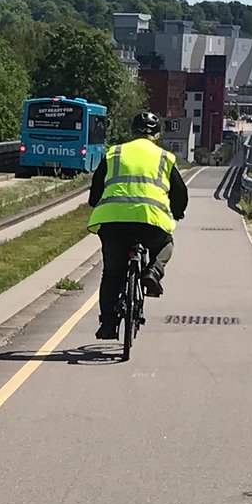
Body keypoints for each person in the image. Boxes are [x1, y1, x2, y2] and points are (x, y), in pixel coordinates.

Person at [86, 111, 189, 340]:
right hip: (150, 221)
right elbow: (180, 192)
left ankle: (108, 325)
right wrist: (177, 213)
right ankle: (153, 272)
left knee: (112, 274)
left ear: (132, 132)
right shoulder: (164, 157)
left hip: (114, 223)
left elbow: (96, 189)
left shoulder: (114, 153)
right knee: (166, 244)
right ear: (157, 134)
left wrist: (97, 203)